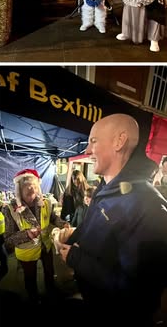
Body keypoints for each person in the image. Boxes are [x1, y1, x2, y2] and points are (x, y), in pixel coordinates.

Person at [59, 113, 167, 325]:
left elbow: (137, 290)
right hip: (95, 301)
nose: (87, 150)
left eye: (93, 141)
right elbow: (93, 228)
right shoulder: (105, 187)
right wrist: (72, 238)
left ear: (119, 141)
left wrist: (75, 258)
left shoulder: (149, 206)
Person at [3, 169, 69, 303]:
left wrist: (64, 224)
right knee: (30, 278)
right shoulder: (9, 209)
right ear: (19, 190)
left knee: (49, 272)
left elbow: (52, 217)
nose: (31, 191)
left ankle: (51, 291)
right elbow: (8, 239)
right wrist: (26, 234)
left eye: (34, 187)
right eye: (27, 189)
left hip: (46, 245)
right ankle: (33, 298)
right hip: (27, 251)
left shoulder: (45, 202)